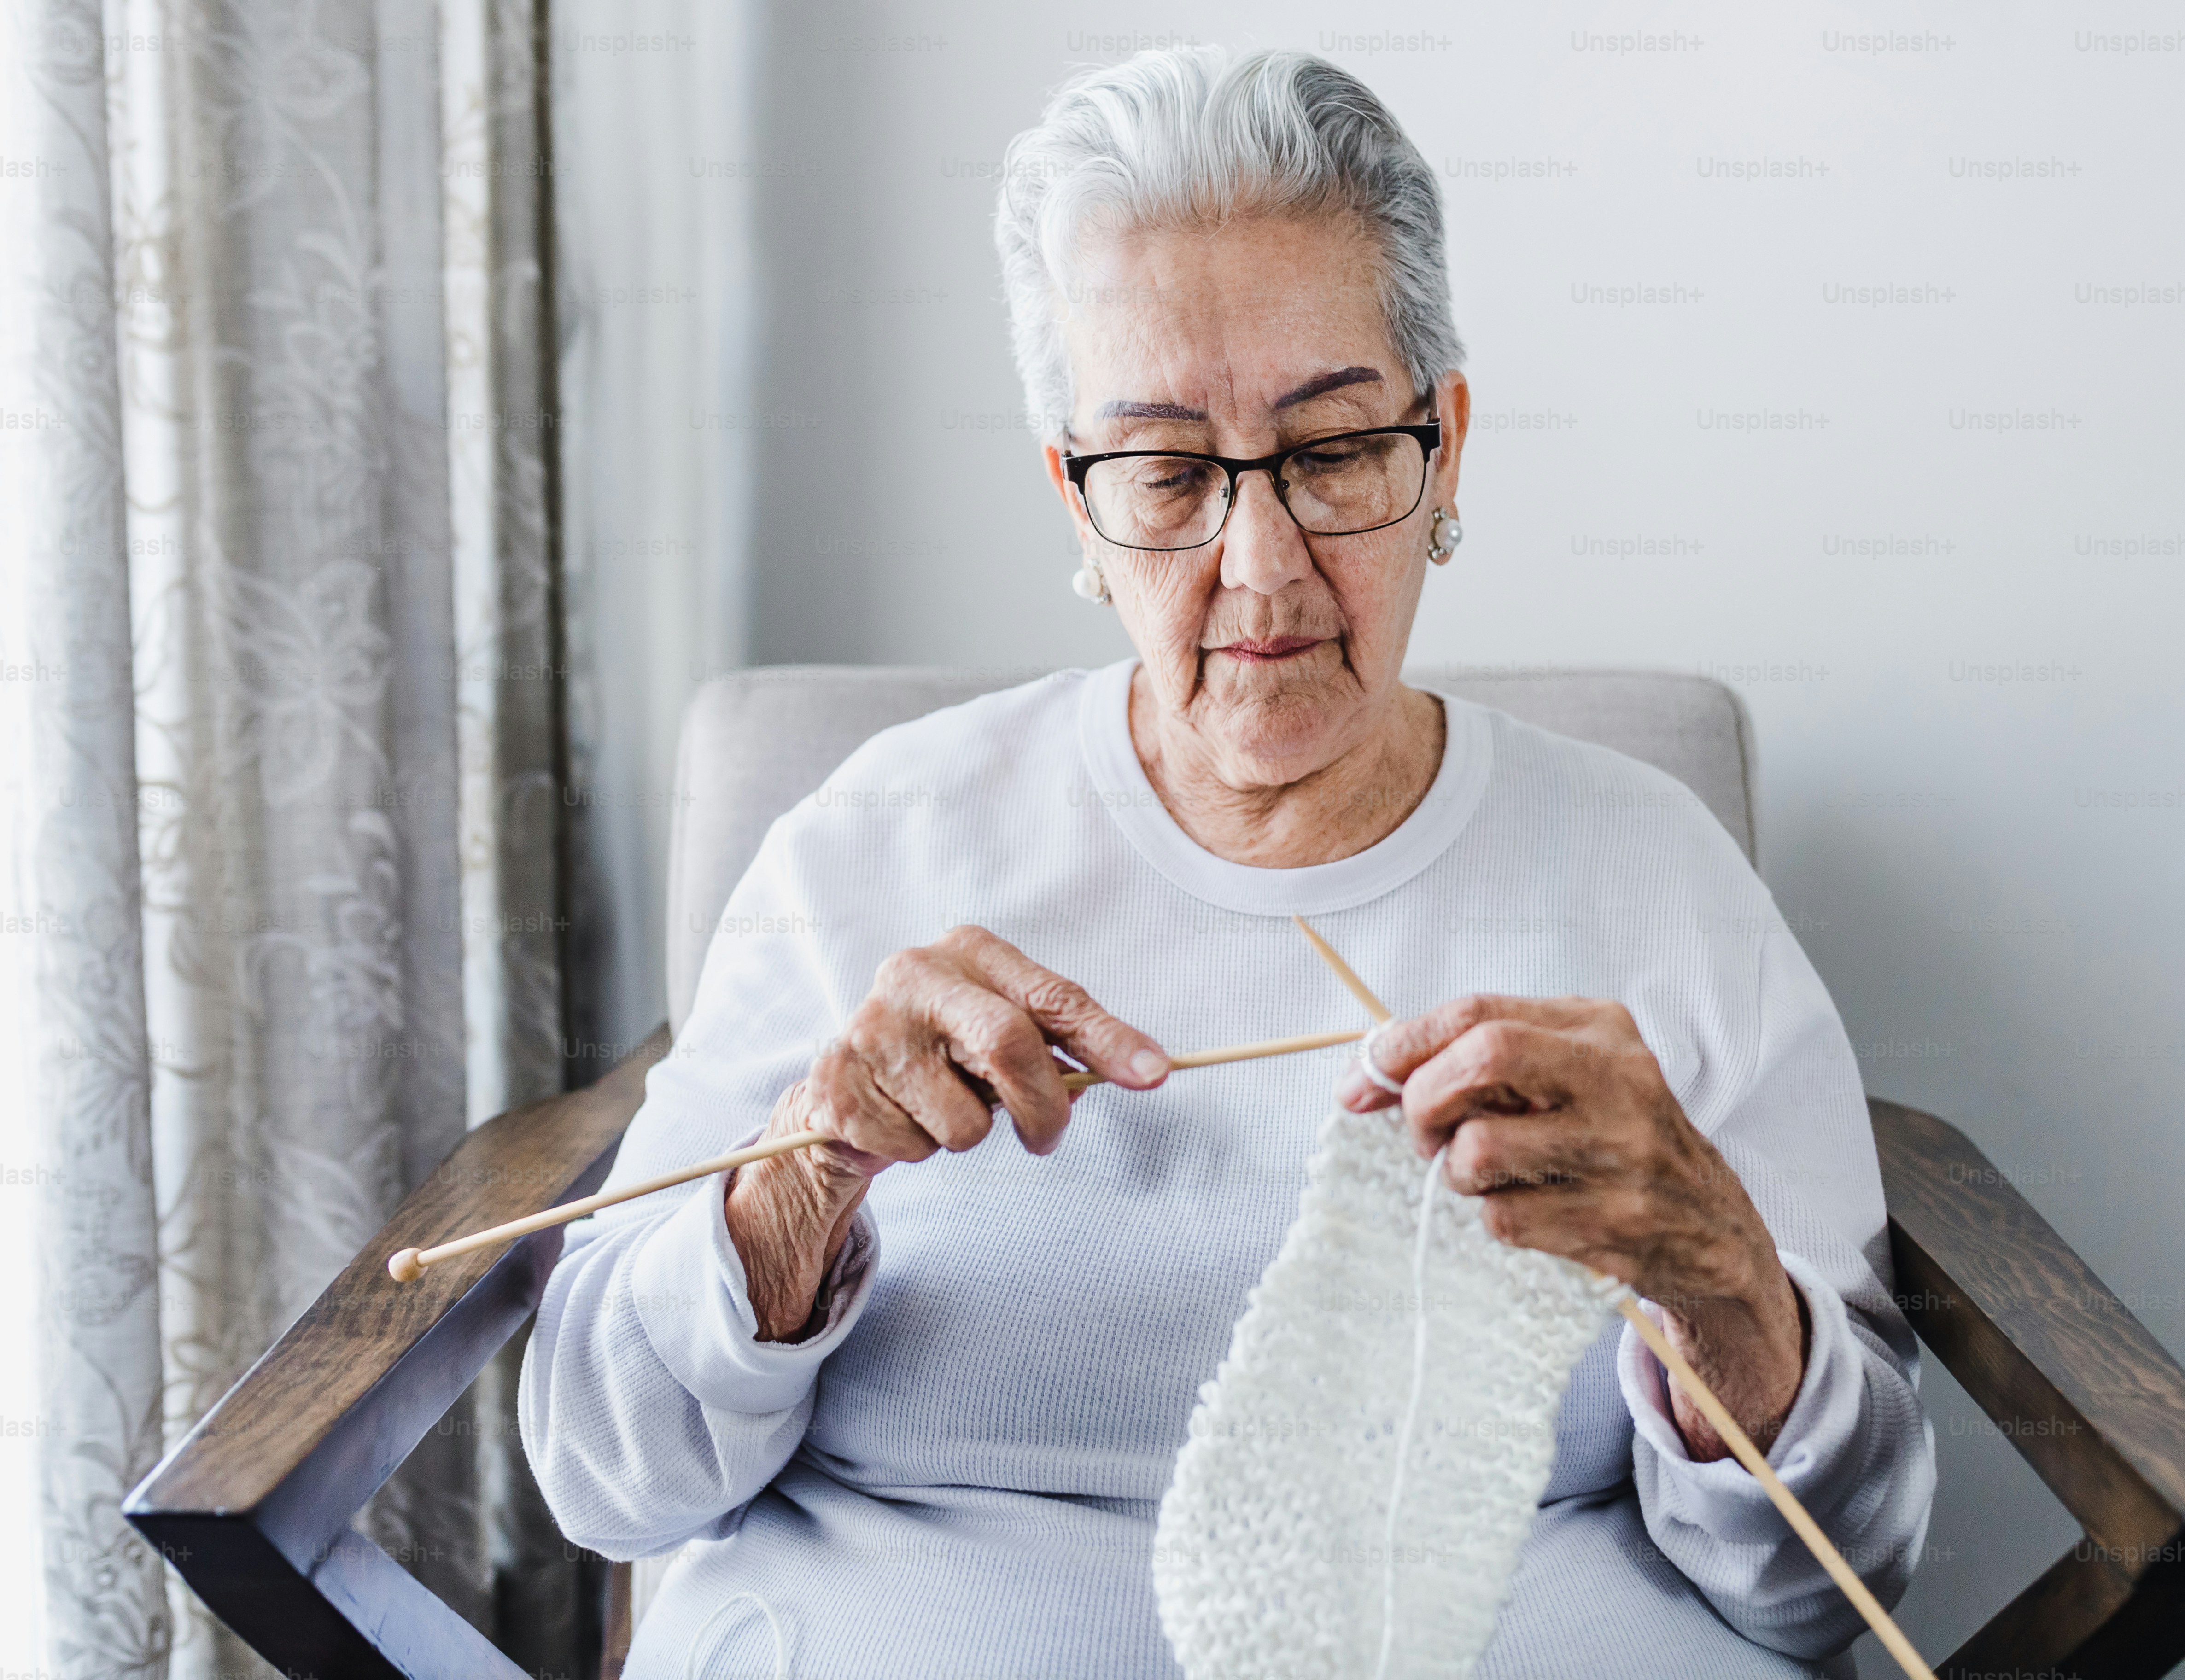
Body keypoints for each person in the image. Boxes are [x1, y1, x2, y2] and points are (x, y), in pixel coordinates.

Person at [522, 45, 1934, 1678]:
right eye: (1169, 474)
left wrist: (1717, 1278)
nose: (1262, 570)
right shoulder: (874, 846)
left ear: (1444, 451)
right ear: (1074, 500)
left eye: (1333, 454)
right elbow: (609, 1478)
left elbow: (1834, 1582)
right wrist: (799, 1177)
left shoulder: (1652, 883)